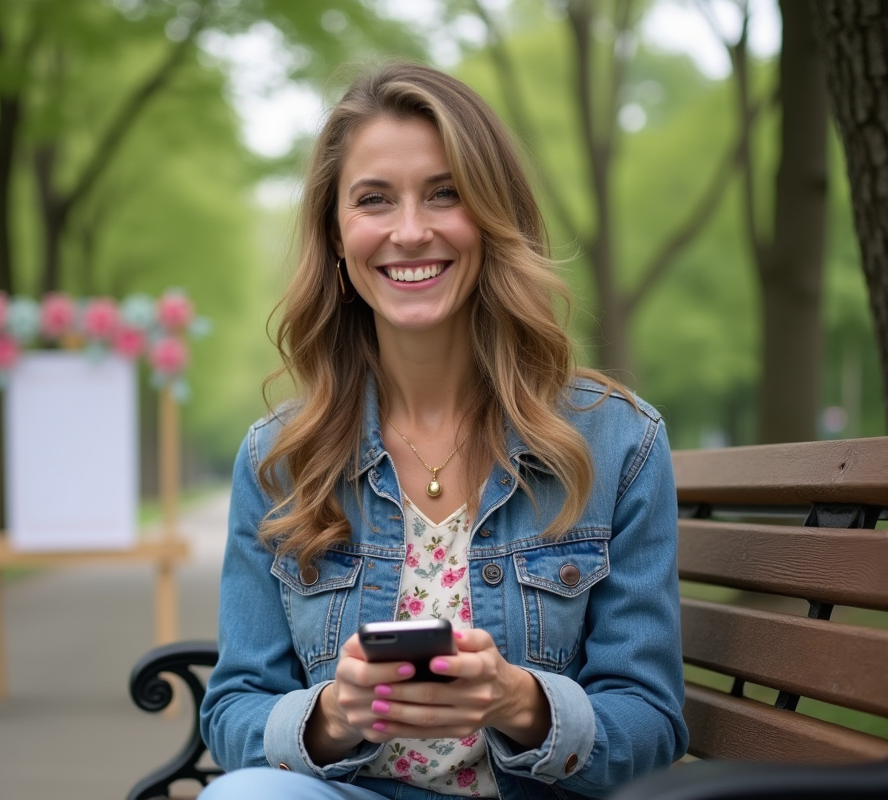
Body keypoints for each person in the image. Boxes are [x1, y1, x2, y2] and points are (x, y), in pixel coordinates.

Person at [199, 61, 687, 800]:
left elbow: (651, 722)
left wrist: (520, 702)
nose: (410, 231)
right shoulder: (278, 460)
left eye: (444, 194)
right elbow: (235, 707)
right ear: (336, 235)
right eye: (373, 200)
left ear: (493, 218)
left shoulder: (617, 443)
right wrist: (332, 716)